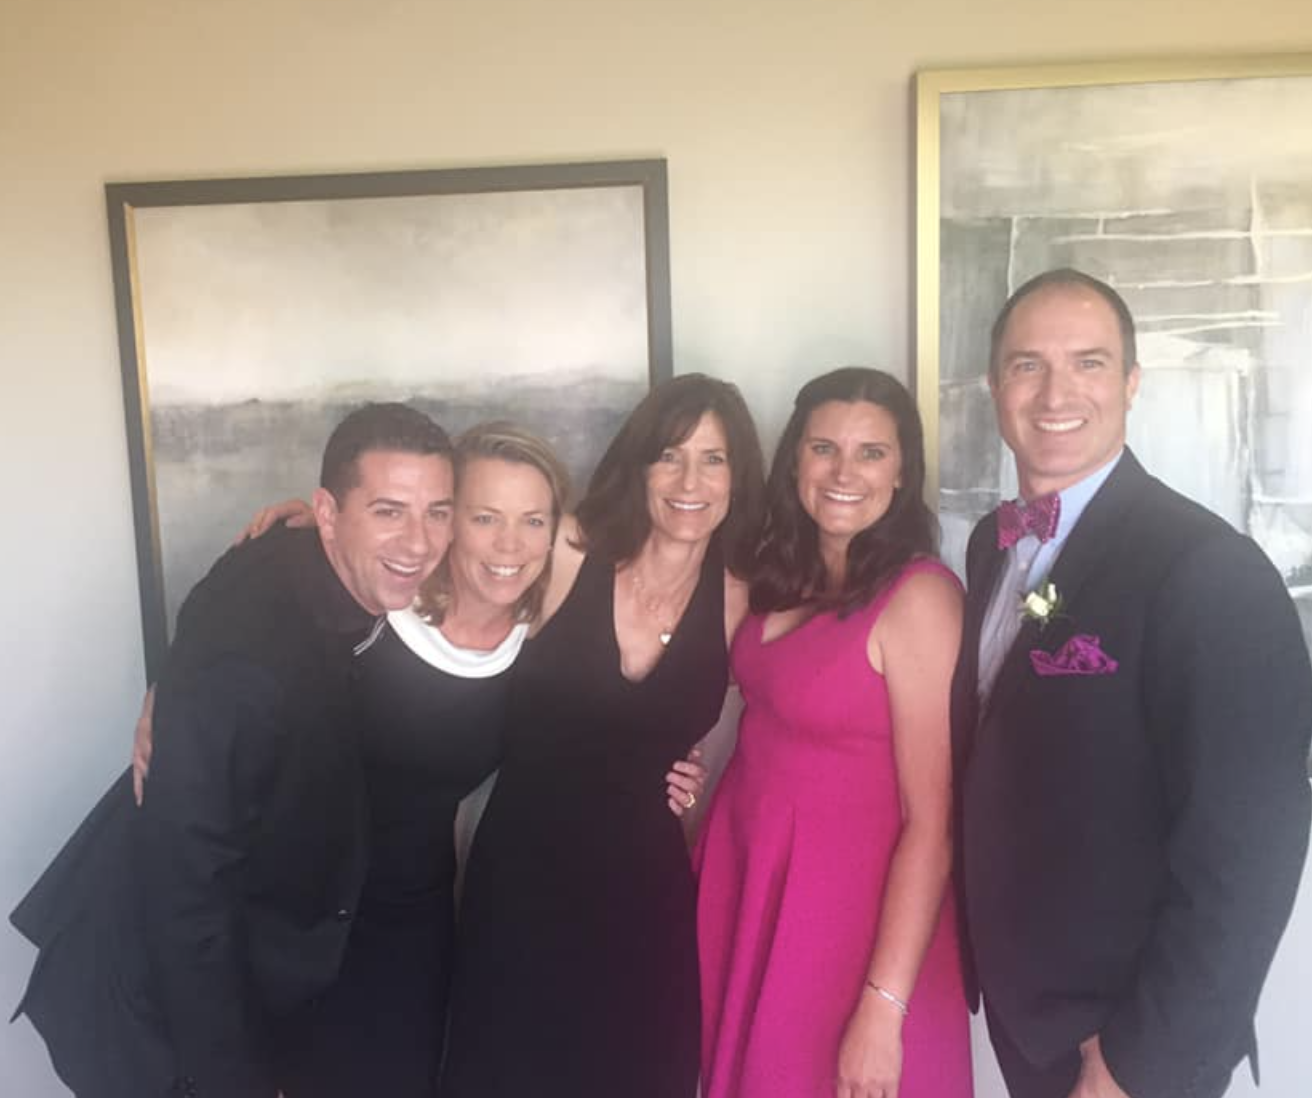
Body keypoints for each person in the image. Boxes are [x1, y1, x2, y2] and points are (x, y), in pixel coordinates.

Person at [128, 422, 707, 1097]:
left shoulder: (542, 641)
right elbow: (246, 618)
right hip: (288, 911)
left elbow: (606, 718)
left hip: (410, 924)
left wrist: (670, 764)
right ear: (452, 522)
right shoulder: (373, 606)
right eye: (483, 516)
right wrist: (169, 691)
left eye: (533, 521)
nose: (510, 544)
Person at [10, 402, 457, 1098]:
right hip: (153, 998)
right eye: (389, 511)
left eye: (438, 512)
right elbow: (186, 890)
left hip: (254, 959)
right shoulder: (252, 664)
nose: (420, 542)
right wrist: (230, 1081)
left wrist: (167, 685)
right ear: (329, 513)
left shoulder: (287, 550)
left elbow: (206, 611)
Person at [952, 268, 1312, 1098]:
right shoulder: (988, 549)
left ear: (1132, 383)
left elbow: (1246, 854)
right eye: (1028, 365)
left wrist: (1139, 1061)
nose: (1056, 394)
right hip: (1024, 1013)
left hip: (1124, 1043)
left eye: (1089, 362)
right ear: (994, 387)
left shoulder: (1209, 568)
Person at [438, 373, 767, 1098]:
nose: (690, 481)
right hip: (523, 882)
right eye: (669, 455)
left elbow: (812, 681)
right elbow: (428, 557)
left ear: (738, 477)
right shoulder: (568, 549)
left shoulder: (741, 595)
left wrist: (700, 777)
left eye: (713, 459)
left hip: (644, 892)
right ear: (639, 463)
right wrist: (309, 529)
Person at [696, 367, 972, 1098]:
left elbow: (932, 824)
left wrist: (884, 1007)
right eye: (824, 448)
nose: (844, 473)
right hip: (753, 888)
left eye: (871, 453)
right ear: (795, 459)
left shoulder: (918, 597)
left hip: (848, 928)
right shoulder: (778, 579)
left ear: (902, 472)